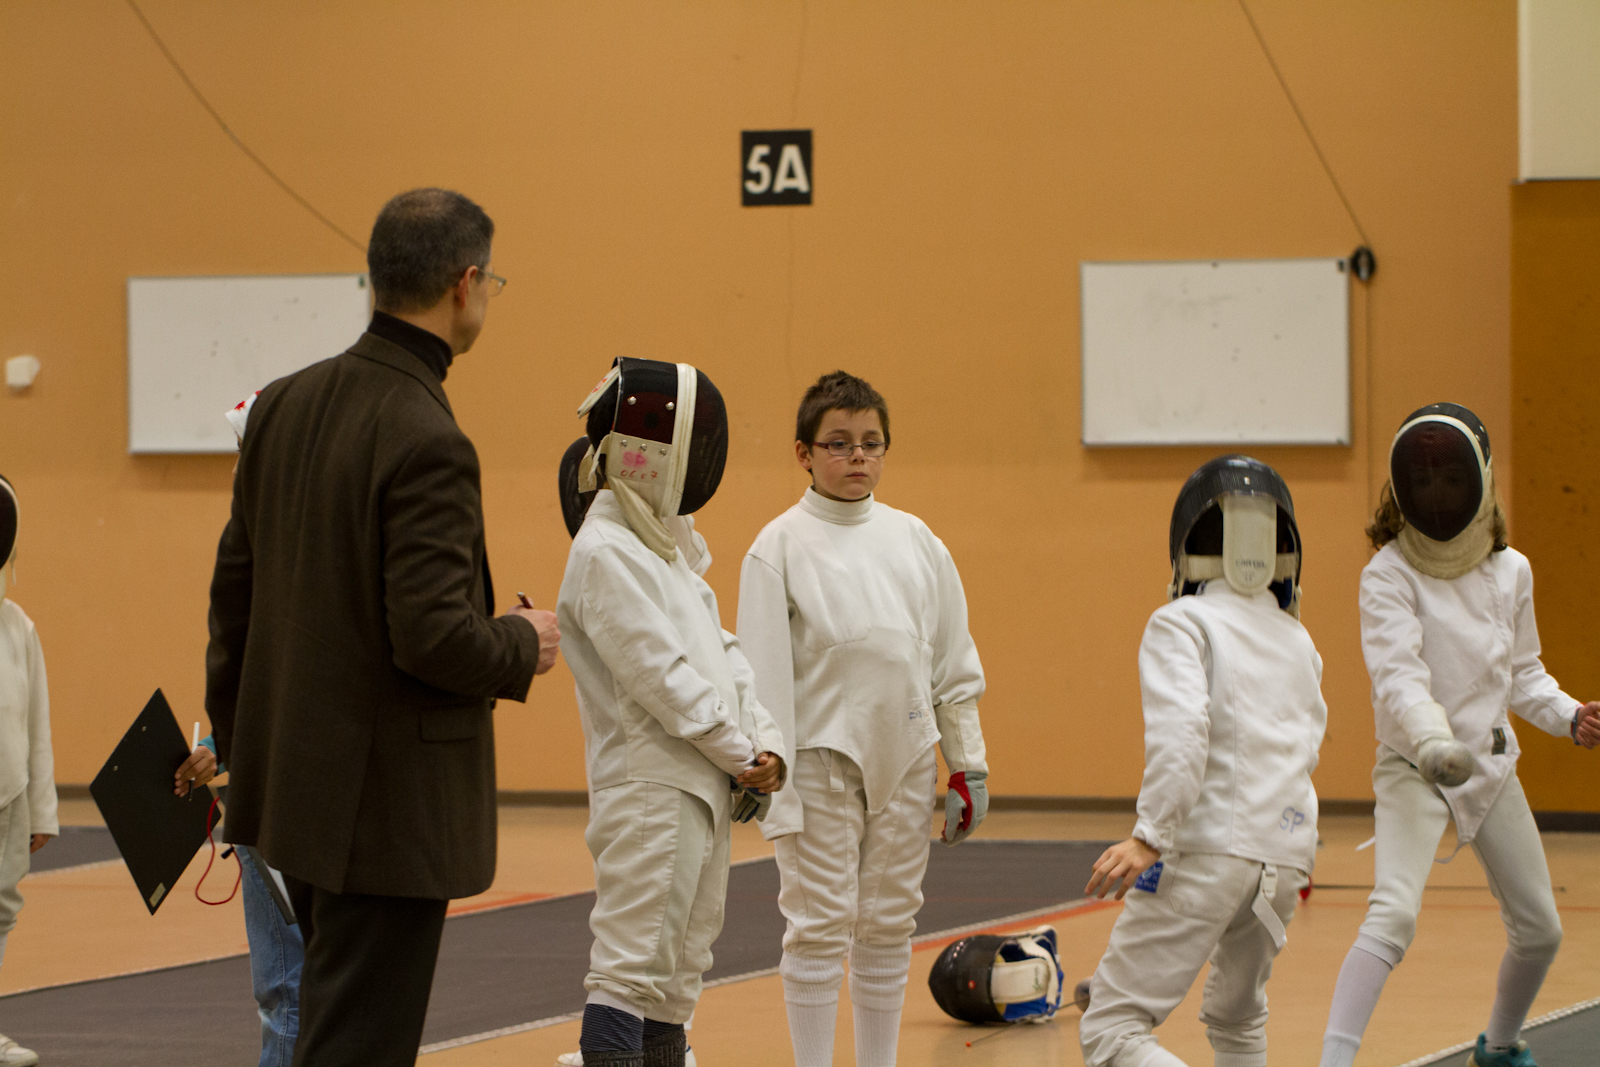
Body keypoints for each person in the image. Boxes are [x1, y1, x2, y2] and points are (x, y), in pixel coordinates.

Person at [206, 188, 560, 1067]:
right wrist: (525, 641)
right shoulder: (427, 433)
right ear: (465, 284)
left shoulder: (283, 405)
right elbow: (433, 637)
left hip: (291, 793)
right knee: (358, 1046)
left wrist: (245, 759)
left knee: (327, 1030)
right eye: (492, 282)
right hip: (385, 816)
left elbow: (233, 603)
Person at [1318, 404, 1600, 1067]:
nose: (1438, 493)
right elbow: (1399, 676)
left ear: (1481, 480)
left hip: (1490, 765)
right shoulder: (1388, 573)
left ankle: (1498, 1048)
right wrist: (1431, 741)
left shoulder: (1511, 570)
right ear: (1401, 490)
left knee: (1540, 929)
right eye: (1422, 481)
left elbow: (1521, 673)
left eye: (1451, 478)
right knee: (1392, 914)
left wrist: (1569, 716)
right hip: (1414, 766)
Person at [736, 371, 988, 1067]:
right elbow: (757, 672)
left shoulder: (917, 540)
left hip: (906, 753)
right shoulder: (778, 546)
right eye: (839, 443)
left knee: (887, 924)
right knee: (819, 925)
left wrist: (967, 763)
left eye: (871, 443)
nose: (858, 456)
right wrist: (761, 762)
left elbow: (950, 661)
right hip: (816, 760)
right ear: (804, 453)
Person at [557, 357, 786, 1067]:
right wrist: (739, 755)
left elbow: (725, 655)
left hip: (701, 785)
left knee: (674, 984)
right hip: (650, 790)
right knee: (629, 972)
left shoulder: (666, 552)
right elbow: (663, 677)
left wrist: (765, 747)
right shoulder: (605, 552)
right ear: (651, 451)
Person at [1078, 455, 1327, 1067]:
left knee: (1112, 1027)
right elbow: (1307, 746)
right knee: (1238, 1020)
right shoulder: (1298, 639)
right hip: (1286, 864)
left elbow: (1183, 732)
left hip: (1208, 853)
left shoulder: (1181, 623)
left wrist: (1150, 835)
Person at [0, 475, 56, 1067]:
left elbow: (36, 720)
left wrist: (42, 809)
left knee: (0, 910)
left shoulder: (17, 626)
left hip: (9, 796)